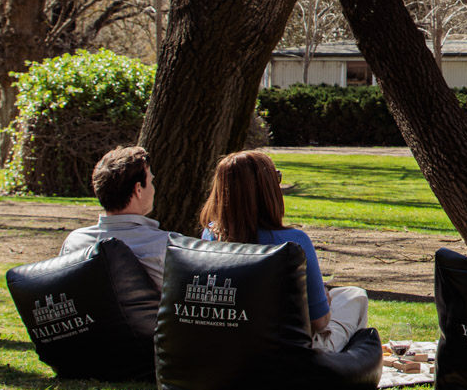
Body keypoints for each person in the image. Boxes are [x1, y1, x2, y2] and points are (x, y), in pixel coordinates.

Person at [199, 149, 369, 352]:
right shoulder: (292, 242)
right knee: (357, 297)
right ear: (267, 189)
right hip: (286, 352)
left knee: (345, 294)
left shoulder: (210, 237)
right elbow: (320, 322)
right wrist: (323, 299)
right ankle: (345, 368)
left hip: (231, 345)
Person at [62, 146, 168, 290]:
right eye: (151, 182)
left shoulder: (74, 242)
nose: (154, 189)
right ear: (138, 189)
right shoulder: (167, 246)